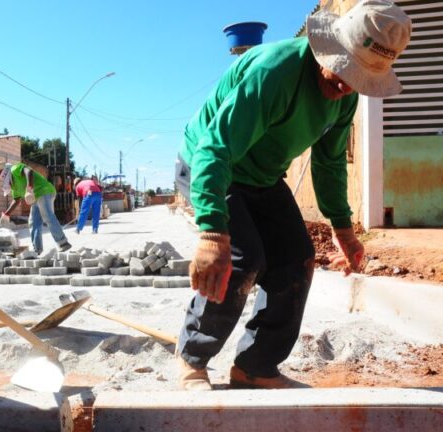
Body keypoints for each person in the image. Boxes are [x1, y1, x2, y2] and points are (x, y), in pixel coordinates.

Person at [174, 0, 411, 390]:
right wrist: (212, 231)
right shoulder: (274, 71)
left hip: (264, 177)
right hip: (211, 165)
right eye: (344, 72)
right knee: (240, 258)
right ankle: (192, 358)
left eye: (359, 80)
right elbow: (214, 148)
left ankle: (255, 366)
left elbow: (330, 164)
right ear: (330, 48)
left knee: (296, 258)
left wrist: (344, 230)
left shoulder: (346, 94)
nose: (346, 87)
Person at [0, 162, 72, 254]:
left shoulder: (15, 169)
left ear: (5, 170)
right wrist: (6, 215)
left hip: (44, 191)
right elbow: (16, 200)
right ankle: (37, 250)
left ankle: (63, 243)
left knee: (47, 216)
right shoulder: (13, 185)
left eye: (0, 172)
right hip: (35, 197)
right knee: (33, 223)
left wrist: (29, 188)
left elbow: (28, 171)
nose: (0, 176)